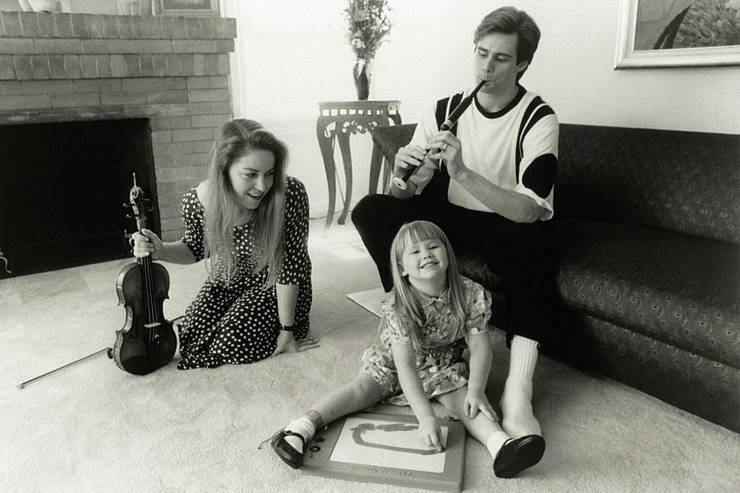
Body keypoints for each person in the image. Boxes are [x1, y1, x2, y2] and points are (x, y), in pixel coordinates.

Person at [351, 7, 557, 448]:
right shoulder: (446, 107)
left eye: (501, 58)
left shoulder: (539, 118)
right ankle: (409, 317)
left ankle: (519, 393)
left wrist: (461, 170)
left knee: (534, 242)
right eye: (481, 53)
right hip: (450, 216)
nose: (486, 66)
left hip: (505, 220)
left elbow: (529, 211)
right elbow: (406, 197)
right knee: (371, 209)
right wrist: (401, 176)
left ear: (522, 63)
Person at [265, 221, 545, 478]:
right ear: (402, 268)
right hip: (396, 362)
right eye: (415, 251)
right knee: (361, 390)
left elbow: (481, 347)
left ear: (447, 253)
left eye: (433, 246)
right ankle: (300, 428)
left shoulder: (470, 293)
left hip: (444, 361)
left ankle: (502, 446)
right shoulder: (400, 307)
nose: (426, 253)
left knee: (466, 400)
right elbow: (406, 367)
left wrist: (476, 387)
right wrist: (425, 417)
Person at [132, 118, 317, 369]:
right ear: (224, 169)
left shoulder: (290, 194)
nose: (263, 186)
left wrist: (287, 330)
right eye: (250, 175)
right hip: (231, 275)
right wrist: (162, 250)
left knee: (228, 342)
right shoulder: (196, 201)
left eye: (270, 173)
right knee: (191, 337)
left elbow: (290, 266)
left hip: (277, 280)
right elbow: (194, 247)